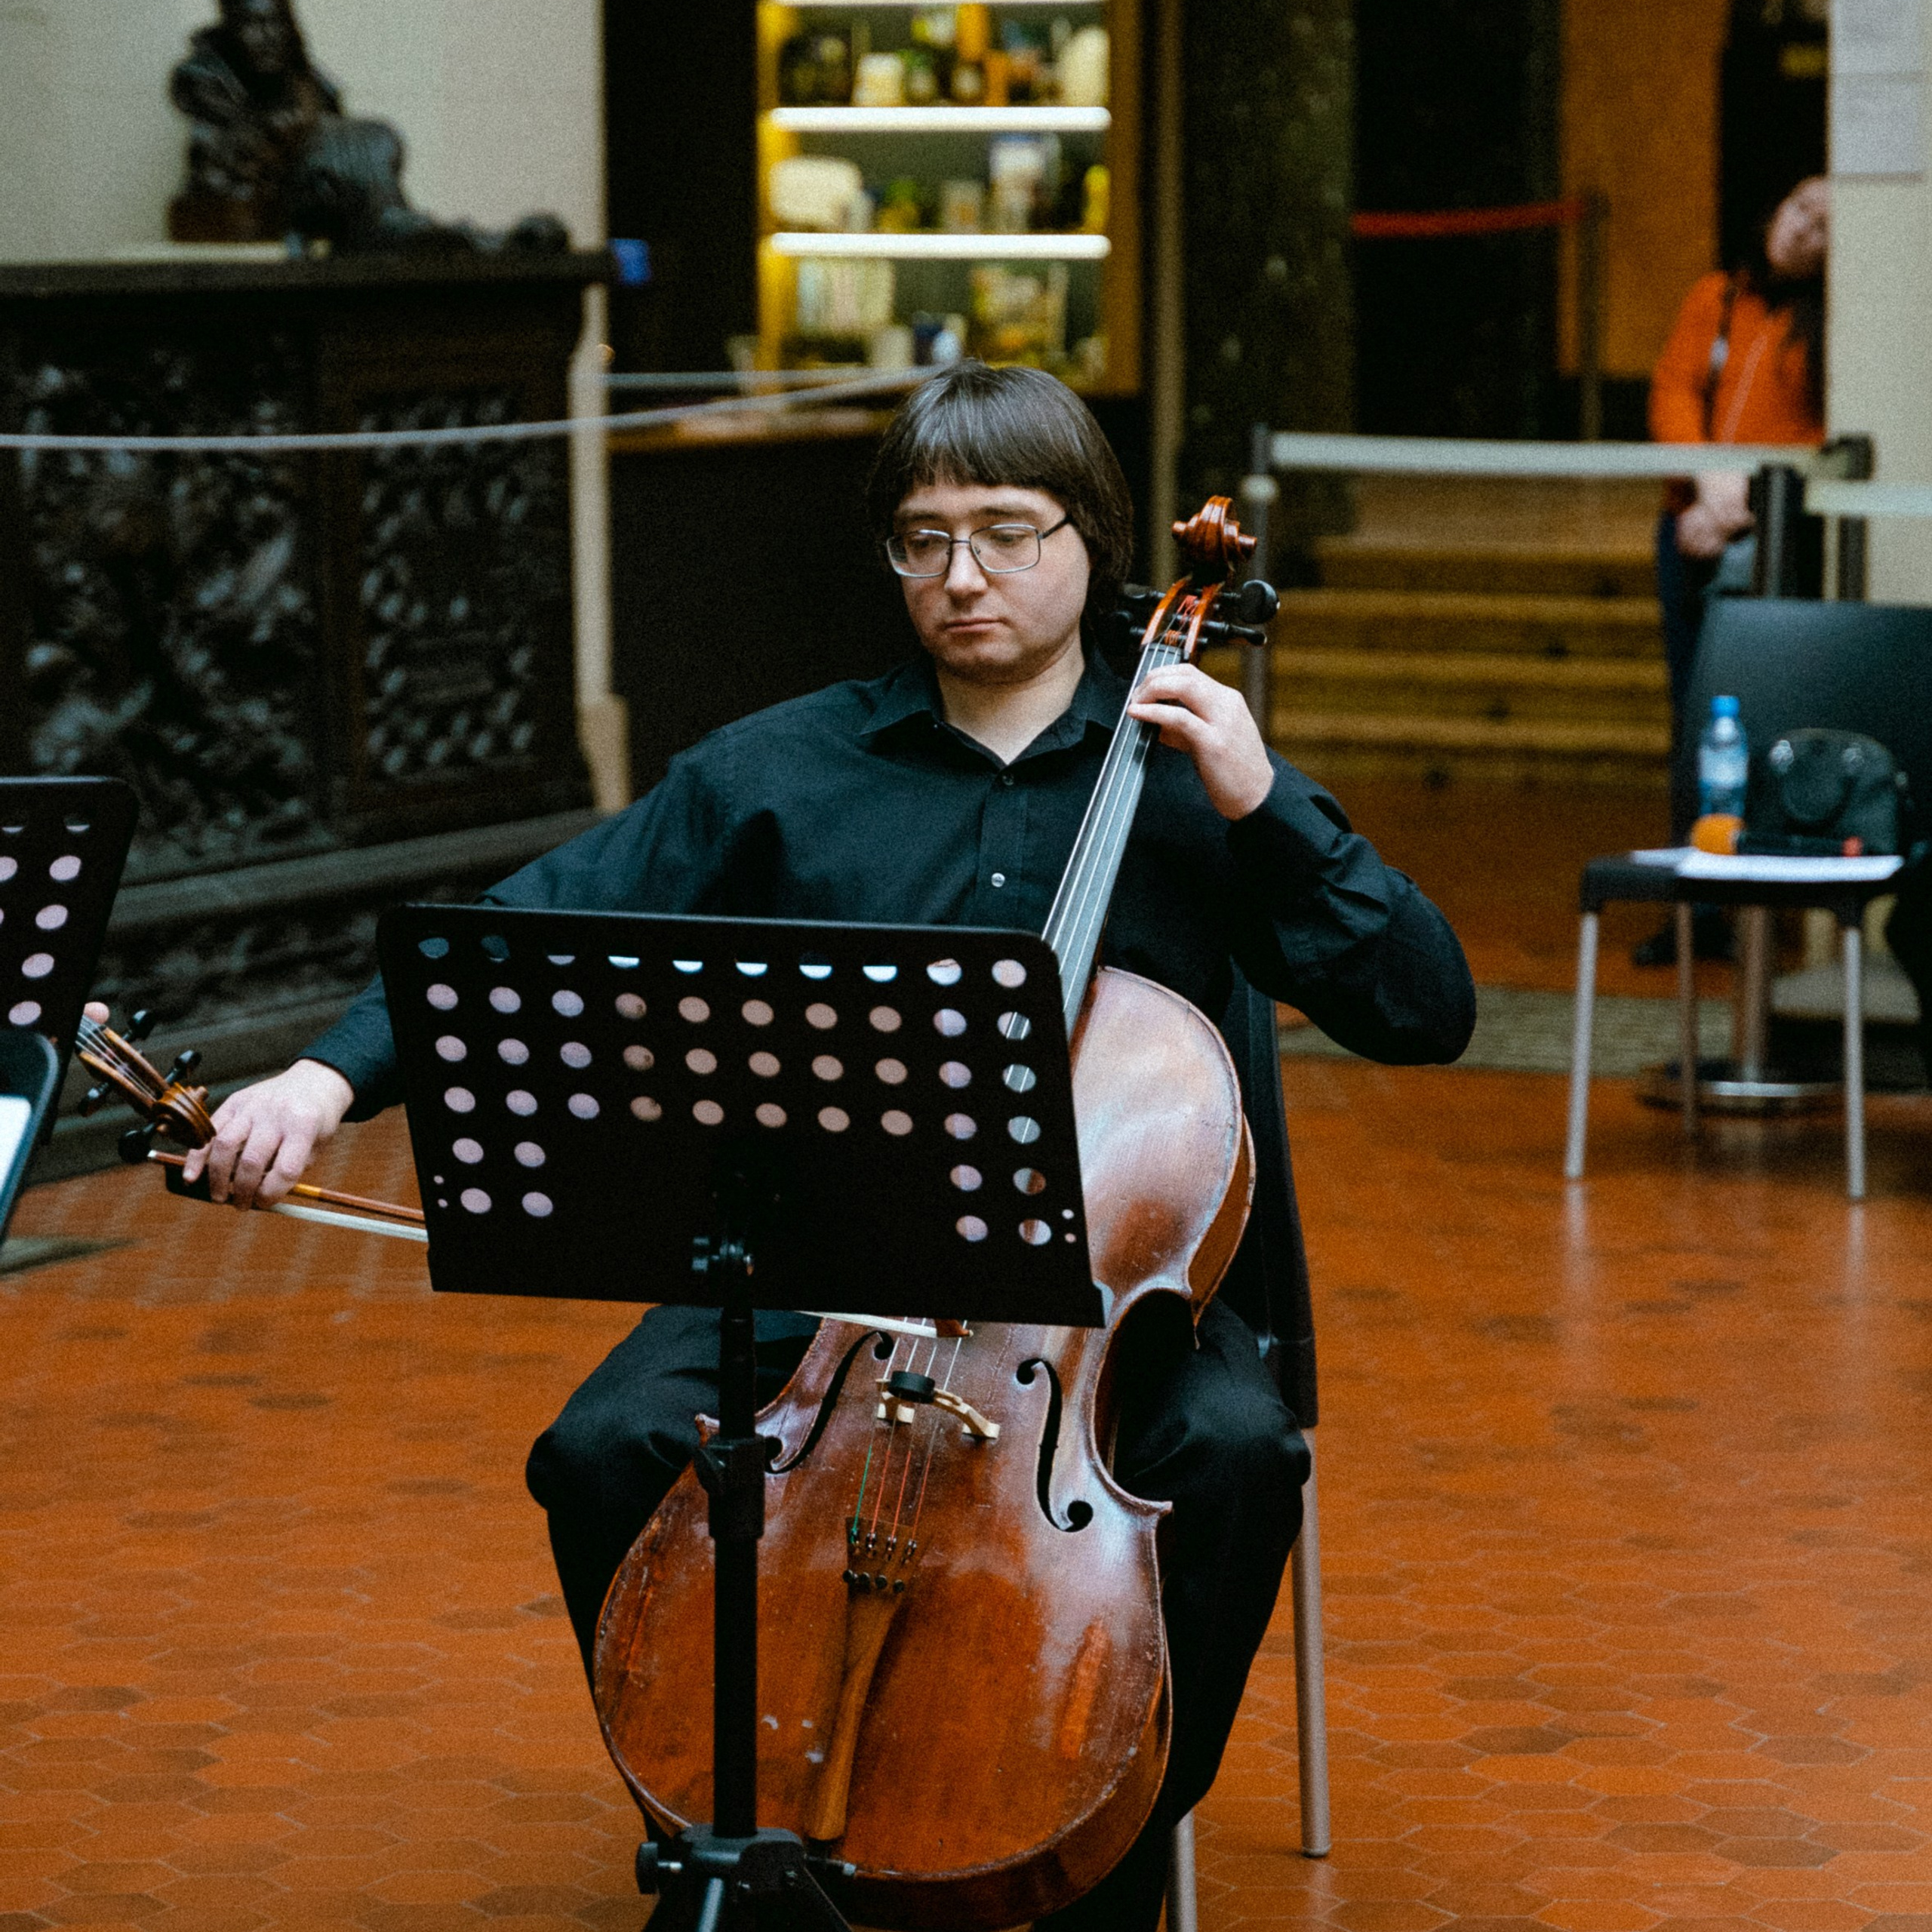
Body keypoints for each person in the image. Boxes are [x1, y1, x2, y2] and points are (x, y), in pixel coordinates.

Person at [160, 363, 1475, 1928]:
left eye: (1004, 530)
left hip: (1105, 1319)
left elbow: (1425, 1008)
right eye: (921, 539)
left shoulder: (1200, 773)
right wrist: (321, 1079)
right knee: (602, 1446)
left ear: (1096, 539)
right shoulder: (778, 772)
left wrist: (1267, 806)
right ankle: (742, 1822)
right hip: (815, 1292)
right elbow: (531, 928)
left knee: (1235, 1455)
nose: (961, 575)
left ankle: (1090, 1827)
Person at [1639, 173, 1829, 964]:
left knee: (1759, 713)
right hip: (1688, 524)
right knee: (1694, 714)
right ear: (1771, 211)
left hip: (1774, 531)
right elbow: (1672, 389)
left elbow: (1829, 432)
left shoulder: (1832, 324)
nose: (1804, 231)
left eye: (1824, 226)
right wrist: (1706, 486)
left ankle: (1757, 891)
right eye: (1798, 211)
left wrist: (1743, 499)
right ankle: (1700, 902)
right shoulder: (1715, 298)